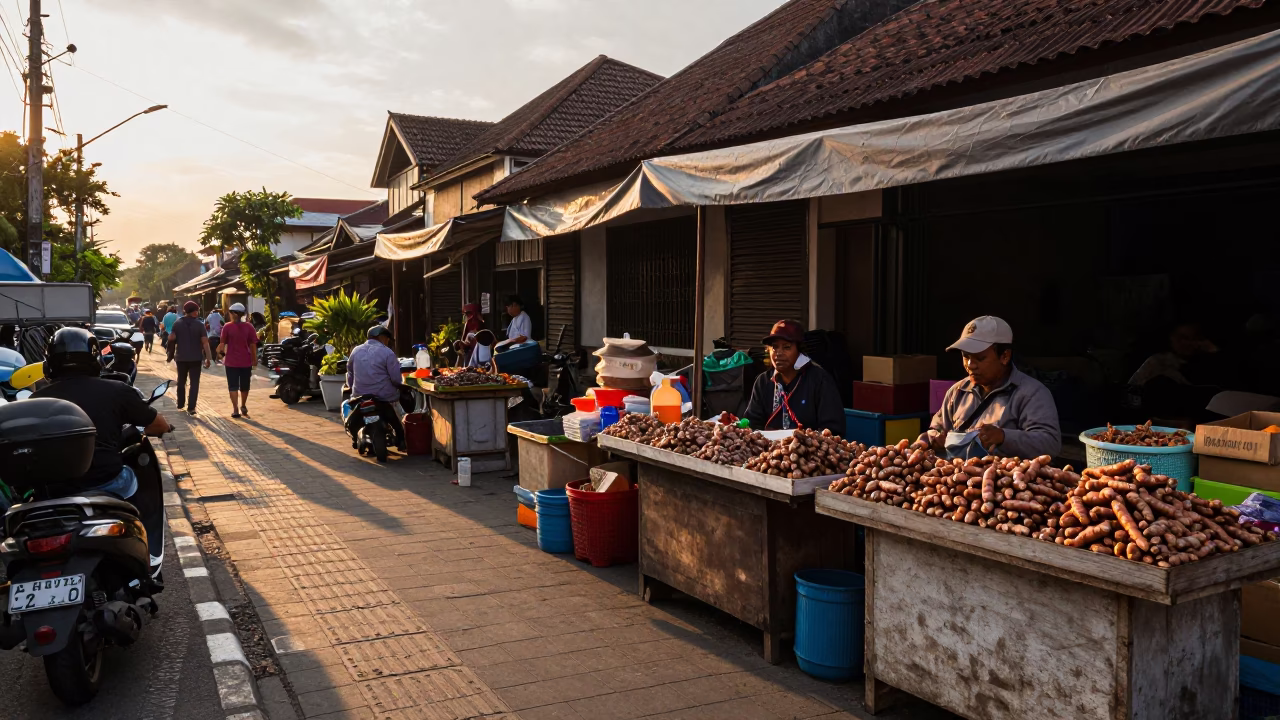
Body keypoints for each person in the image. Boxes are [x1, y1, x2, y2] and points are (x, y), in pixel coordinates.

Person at [32, 327, 171, 498]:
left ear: (48, 364)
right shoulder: (118, 390)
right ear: (96, 359)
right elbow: (160, 425)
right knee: (136, 475)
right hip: (107, 482)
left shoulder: (36, 399)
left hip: (56, 489)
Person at [920, 316, 1061, 460]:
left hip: (1007, 479)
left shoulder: (1032, 394)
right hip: (957, 478)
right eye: (965, 356)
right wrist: (932, 437)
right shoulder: (957, 391)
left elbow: (1050, 444)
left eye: (980, 358)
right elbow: (937, 428)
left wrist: (1004, 437)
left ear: (1005, 356)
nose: (970, 365)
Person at [743, 320, 846, 437]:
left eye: (786, 347)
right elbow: (752, 425)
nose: (778, 353)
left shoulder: (820, 380)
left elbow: (833, 431)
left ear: (799, 350)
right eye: (774, 347)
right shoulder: (763, 381)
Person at [347, 325, 406, 453]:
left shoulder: (356, 351)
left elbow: (350, 374)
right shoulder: (387, 353)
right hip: (384, 397)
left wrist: (352, 389)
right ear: (382, 338)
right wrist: (399, 387)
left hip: (359, 396)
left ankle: (355, 438)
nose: (388, 342)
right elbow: (396, 379)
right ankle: (401, 440)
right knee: (397, 416)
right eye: (387, 339)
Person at [168, 301, 212, 415]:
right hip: (196, 358)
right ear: (194, 311)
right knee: (194, 383)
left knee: (181, 381)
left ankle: (180, 403)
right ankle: (191, 407)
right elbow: (205, 342)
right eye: (197, 310)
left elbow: (171, 338)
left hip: (181, 358)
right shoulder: (199, 324)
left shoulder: (177, 323)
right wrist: (208, 358)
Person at [218, 302, 258, 419]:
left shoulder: (227, 327)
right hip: (246, 361)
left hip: (231, 362)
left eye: (230, 312)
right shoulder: (249, 327)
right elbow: (253, 345)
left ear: (234, 313)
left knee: (233, 386)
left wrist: (219, 354)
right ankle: (243, 405)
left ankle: (235, 409)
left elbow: (222, 343)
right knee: (245, 386)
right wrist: (254, 359)